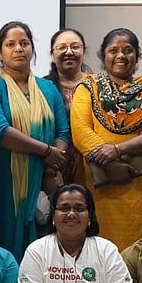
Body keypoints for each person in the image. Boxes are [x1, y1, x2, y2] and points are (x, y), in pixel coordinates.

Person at [0, 20, 70, 260]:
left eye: (24, 43)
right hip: (1, 182)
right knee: (1, 242)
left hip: (43, 181)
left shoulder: (48, 88)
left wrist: (50, 168)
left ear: (32, 50)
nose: (19, 49)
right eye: (11, 44)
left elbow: (63, 131)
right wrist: (47, 151)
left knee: (42, 244)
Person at [71, 28, 142, 250]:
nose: (121, 56)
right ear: (103, 56)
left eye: (128, 50)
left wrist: (116, 151)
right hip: (102, 183)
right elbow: (81, 132)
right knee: (103, 250)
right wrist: (111, 165)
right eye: (113, 50)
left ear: (137, 56)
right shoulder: (88, 88)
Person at [46, 28, 90, 188]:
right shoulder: (42, 87)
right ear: (52, 54)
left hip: (92, 164)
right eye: (62, 47)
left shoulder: (99, 85)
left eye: (75, 47)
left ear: (83, 51)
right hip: (53, 166)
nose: (69, 52)